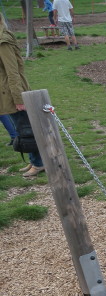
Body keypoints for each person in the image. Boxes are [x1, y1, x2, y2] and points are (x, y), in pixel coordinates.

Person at [0, 13, 45, 177]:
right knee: (22, 129)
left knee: (26, 130)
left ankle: (39, 163)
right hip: (6, 92)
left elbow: (12, 73)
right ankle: (35, 160)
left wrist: (19, 99)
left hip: (12, 92)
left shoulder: (2, 42)